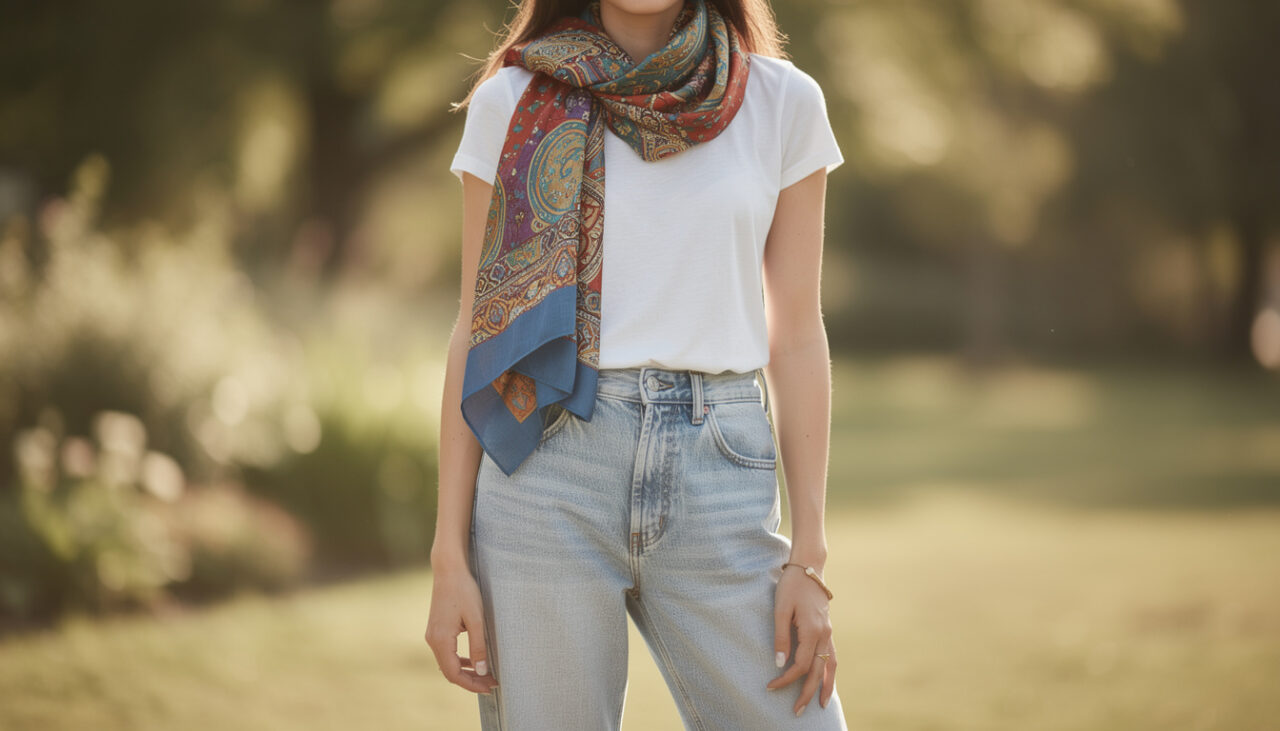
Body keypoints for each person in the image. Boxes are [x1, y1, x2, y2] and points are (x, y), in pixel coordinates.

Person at [426, 0, 846, 728]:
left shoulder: (783, 103)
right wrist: (447, 554)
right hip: (546, 471)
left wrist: (808, 553)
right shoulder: (512, 100)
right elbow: (478, 328)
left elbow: (798, 334)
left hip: (719, 469)